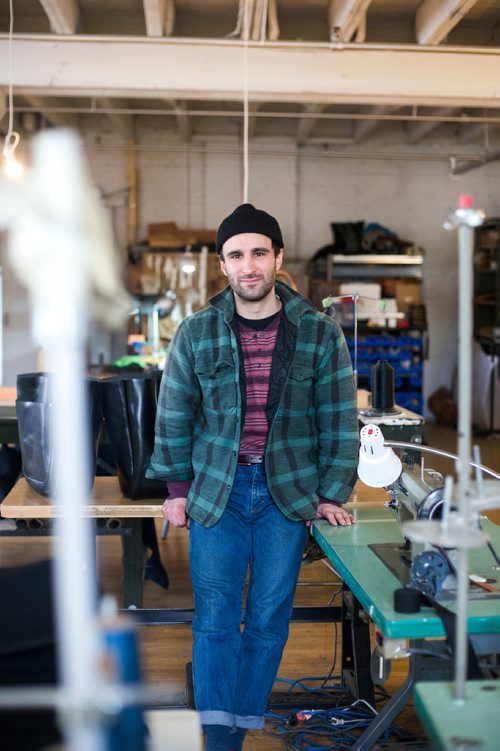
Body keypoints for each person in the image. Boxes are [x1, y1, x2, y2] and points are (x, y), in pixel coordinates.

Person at [147, 203, 359, 750]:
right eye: (236, 255)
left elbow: (337, 420)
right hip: (218, 492)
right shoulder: (196, 333)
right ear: (223, 265)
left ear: (277, 258)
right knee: (216, 621)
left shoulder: (318, 333)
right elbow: (175, 413)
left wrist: (331, 492)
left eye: (259, 253)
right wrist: (175, 489)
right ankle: (220, 740)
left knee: (267, 622)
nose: (249, 266)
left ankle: (239, 727)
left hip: (286, 495)